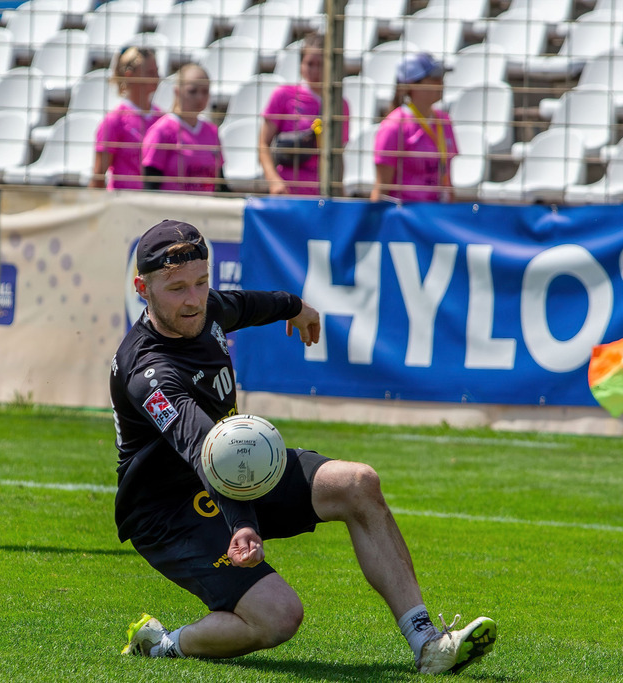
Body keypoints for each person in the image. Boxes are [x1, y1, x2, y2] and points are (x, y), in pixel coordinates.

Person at [111, 219, 497, 673]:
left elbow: (245, 304)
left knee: (358, 483)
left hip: (238, 471)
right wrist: (241, 523)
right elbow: (203, 450)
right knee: (278, 617)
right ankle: (161, 643)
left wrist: (296, 308)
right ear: (142, 287)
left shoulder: (201, 309)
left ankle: (428, 643)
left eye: (202, 282)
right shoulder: (148, 373)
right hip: (169, 513)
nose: (194, 299)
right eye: (177, 288)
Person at [259, 32, 350, 196]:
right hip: (286, 192)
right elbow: (263, 143)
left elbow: (338, 155)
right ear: (301, 64)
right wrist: (274, 182)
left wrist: (339, 190)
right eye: (310, 63)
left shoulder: (340, 105)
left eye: (321, 64)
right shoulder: (283, 95)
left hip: (322, 194)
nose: (314, 70)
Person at [371, 52, 458, 202]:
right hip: (405, 217)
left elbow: (448, 182)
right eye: (434, 78)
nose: (441, 83)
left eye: (441, 78)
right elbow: (381, 188)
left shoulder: (444, 120)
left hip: (438, 215)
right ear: (411, 84)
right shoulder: (393, 126)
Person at [141, 63, 222, 193]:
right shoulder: (161, 131)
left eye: (205, 91)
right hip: (172, 211)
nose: (200, 97)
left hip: (204, 210)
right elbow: (150, 187)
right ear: (177, 91)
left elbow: (221, 184)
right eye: (192, 91)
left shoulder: (212, 131)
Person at [89, 46, 162, 190]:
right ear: (130, 76)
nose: (157, 77)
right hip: (123, 203)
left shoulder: (163, 119)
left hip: (154, 205)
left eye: (157, 71)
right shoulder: (115, 120)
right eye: (150, 73)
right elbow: (98, 175)